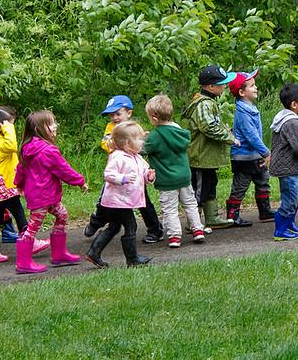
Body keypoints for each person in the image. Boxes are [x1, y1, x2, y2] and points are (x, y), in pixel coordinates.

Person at [83, 95, 165, 244]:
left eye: (118, 113)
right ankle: (96, 222)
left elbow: (141, 141)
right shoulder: (111, 128)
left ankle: (155, 229)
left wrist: (141, 140)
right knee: (105, 198)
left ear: (129, 113)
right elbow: (106, 144)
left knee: (144, 200)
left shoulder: (134, 128)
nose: (114, 118)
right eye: (111, 115)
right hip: (117, 170)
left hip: (134, 171)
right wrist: (115, 143)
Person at [14, 110, 89, 274]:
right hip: (43, 197)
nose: (55, 126)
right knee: (33, 227)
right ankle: (23, 262)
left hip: (46, 196)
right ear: (39, 129)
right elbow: (63, 169)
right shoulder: (48, 150)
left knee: (62, 215)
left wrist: (19, 184)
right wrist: (80, 181)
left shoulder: (28, 148)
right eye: (51, 123)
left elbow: (21, 169)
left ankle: (59, 254)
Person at [0, 106, 48, 263]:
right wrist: (7, 127)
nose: (12, 127)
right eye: (11, 123)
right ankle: (31, 243)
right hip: (5, 184)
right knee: (19, 213)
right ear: (2, 125)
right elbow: (12, 146)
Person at [85, 121, 155, 268]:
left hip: (122, 200)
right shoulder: (118, 157)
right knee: (131, 226)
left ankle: (94, 252)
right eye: (139, 139)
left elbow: (143, 172)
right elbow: (108, 174)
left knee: (114, 227)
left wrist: (149, 176)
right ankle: (132, 259)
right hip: (117, 201)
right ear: (128, 143)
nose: (142, 142)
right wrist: (121, 179)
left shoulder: (137, 157)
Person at [144, 94, 206, 248]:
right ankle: (198, 230)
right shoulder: (178, 130)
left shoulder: (155, 136)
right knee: (190, 204)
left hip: (167, 180)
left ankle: (174, 236)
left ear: (154, 118)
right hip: (184, 176)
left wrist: (141, 138)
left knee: (170, 209)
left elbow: (142, 149)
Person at [181, 65, 240, 229]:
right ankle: (193, 223)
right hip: (200, 157)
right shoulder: (204, 104)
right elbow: (208, 127)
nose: (225, 86)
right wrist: (229, 137)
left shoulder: (209, 102)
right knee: (199, 190)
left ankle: (212, 217)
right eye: (222, 83)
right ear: (210, 87)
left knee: (209, 185)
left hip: (207, 158)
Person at [227, 69, 275, 224]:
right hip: (244, 157)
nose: (256, 88)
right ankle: (232, 215)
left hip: (255, 156)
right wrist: (266, 152)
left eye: (255, 85)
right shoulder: (243, 113)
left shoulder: (250, 108)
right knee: (240, 185)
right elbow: (251, 136)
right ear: (241, 92)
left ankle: (265, 211)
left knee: (263, 181)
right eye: (252, 86)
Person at [269, 83, 298, 241]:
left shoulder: (288, 119)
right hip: (286, 168)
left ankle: (289, 223)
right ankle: (280, 230)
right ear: (294, 104)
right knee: (290, 198)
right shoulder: (292, 123)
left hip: (292, 167)